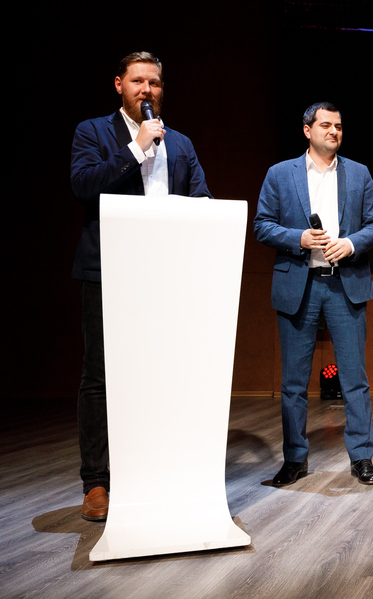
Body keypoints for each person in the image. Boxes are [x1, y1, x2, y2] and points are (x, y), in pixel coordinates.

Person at [70, 52, 212, 521]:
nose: (147, 90)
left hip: (165, 277)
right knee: (100, 376)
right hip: (108, 271)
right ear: (119, 84)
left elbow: (201, 198)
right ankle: (96, 483)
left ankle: (155, 471)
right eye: (137, 81)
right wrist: (136, 148)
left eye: (154, 82)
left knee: (161, 373)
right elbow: (84, 186)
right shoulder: (93, 132)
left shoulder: (181, 143)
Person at [254, 102, 373, 487]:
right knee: (294, 383)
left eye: (339, 126)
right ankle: (294, 459)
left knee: (354, 378)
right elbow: (262, 225)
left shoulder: (359, 173)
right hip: (300, 284)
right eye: (326, 125)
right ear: (307, 130)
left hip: (345, 284)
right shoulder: (280, 173)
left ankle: (362, 457)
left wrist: (350, 243)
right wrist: (299, 238)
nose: (334, 131)